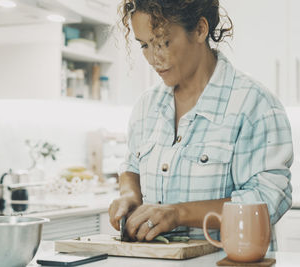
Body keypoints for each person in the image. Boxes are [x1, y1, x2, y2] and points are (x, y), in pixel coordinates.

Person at [108, 0, 293, 250]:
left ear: (199, 29)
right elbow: (131, 166)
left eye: (163, 42)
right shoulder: (146, 106)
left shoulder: (253, 104)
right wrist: (129, 195)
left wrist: (178, 214)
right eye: (144, 45)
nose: (153, 58)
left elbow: (269, 200)